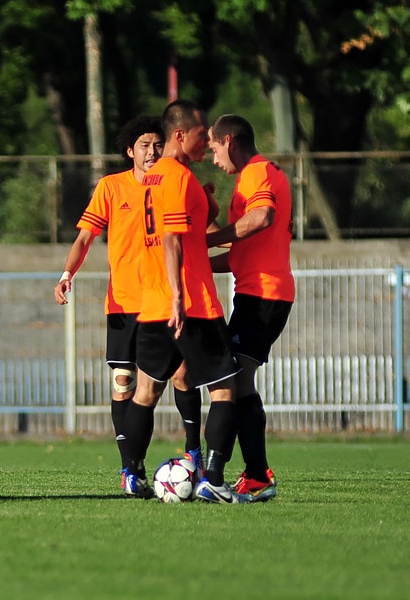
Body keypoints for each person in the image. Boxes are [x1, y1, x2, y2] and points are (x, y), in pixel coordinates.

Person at [54, 116, 205, 497]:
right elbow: (86, 236)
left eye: (157, 145)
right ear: (129, 151)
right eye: (144, 146)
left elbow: (200, 220)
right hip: (124, 302)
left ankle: (194, 452)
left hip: (166, 298)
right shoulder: (111, 187)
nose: (152, 152)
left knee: (184, 374)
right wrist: (67, 273)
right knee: (124, 385)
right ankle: (130, 469)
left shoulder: (174, 180)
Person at [123, 99, 241, 504]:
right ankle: (213, 478)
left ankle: (132, 473)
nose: (206, 141)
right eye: (200, 133)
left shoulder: (151, 179)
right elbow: (171, 240)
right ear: (179, 134)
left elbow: (176, 235)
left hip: (153, 305)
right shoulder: (176, 176)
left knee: (146, 393)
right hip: (190, 304)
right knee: (225, 389)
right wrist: (178, 296)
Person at [206, 114, 294, 502]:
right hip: (258, 291)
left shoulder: (257, 172)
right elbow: (240, 252)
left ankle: (242, 473)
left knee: (232, 378)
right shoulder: (254, 175)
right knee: (237, 380)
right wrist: (199, 246)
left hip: (264, 294)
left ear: (229, 140)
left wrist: (209, 240)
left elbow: (262, 217)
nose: (212, 157)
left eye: (212, 148)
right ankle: (256, 474)